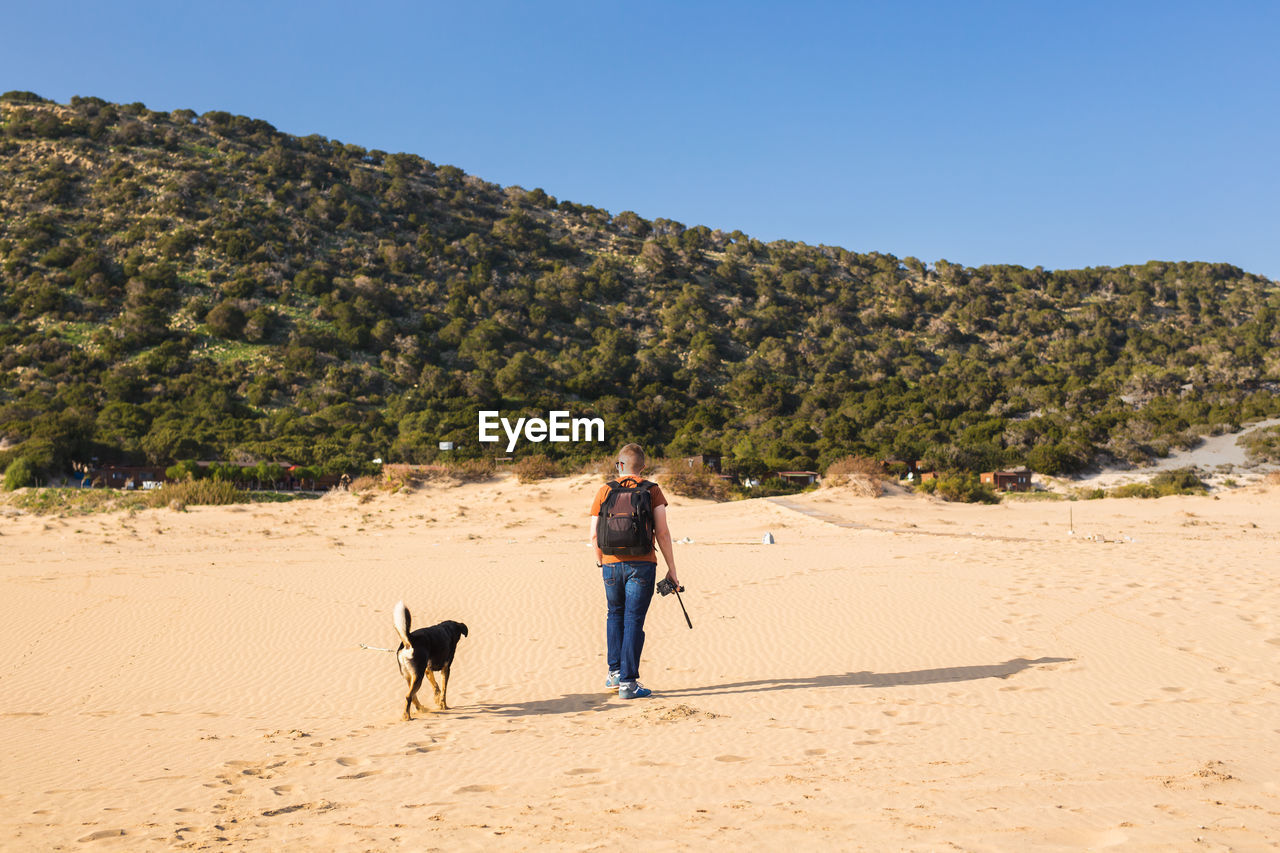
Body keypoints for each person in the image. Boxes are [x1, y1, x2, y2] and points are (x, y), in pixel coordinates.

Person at [589, 443, 680, 699]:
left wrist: (602, 562)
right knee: (633, 620)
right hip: (642, 564)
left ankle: (614, 674)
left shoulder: (605, 490)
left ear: (619, 466)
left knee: (614, 615)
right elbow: (661, 532)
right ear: (643, 467)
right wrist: (672, 569)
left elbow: (594, 534)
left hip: (610, 563)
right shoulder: (652, 490)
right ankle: (629, 684)